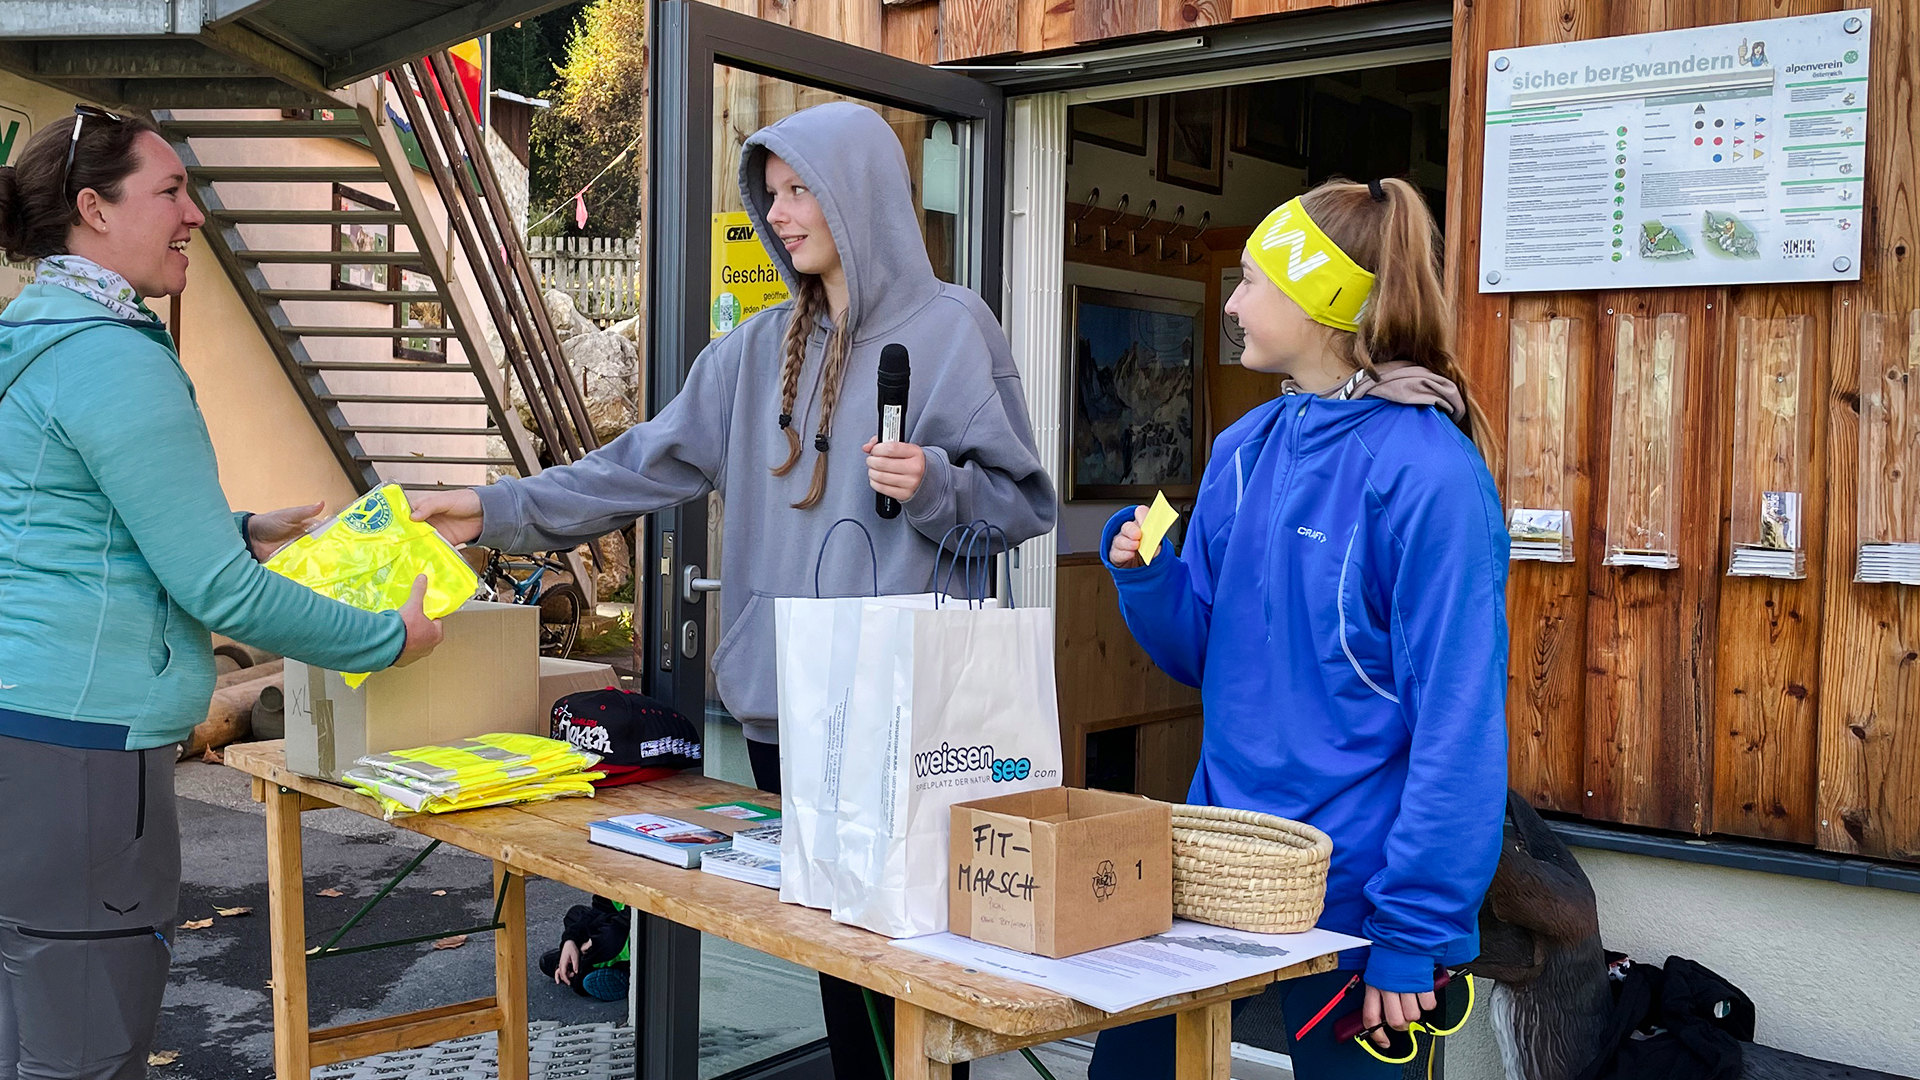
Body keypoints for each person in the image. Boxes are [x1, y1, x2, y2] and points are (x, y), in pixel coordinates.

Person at [411, 101, 1055, 1080]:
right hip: (785, 712)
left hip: (904, 715)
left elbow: (1022, 504)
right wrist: (490, 508)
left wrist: (937, 486)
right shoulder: (753, 351)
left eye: (801, 190)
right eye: (773, 194)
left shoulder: (954, 329)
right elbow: (633, 468)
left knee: (909, 972)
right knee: (842, 964)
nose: (780, 213)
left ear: (860, 194)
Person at [0, 107, 443, 1080]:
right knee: (85, 1052)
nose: (194, 214)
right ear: (93, 209)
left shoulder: (26, 338)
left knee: (26, 1035)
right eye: (169, 191)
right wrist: (386, 638)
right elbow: (222, 595)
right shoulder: (112, 354)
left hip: (22, 724)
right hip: (84, 757)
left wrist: (233, 527)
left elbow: (58, 519)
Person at [1092, 177, 1509, 1079]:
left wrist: (1414, 931)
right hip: (1218, 863)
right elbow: (1204, 655)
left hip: (1361, 899)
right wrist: (1150, 578)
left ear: (1321, 302)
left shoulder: (1433, 477)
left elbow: (1460, 725)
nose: (1232, 304)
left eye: (1252, 282)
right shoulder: (1241, 449)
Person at [539, 896, 633, 1002]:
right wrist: (570, 940)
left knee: (598, 952)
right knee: (575, 914)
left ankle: (629, 975)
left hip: (633, 938)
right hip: (618, 925)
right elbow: (601, 908)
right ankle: (571, 961)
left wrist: (592, 943)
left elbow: (630, 919)